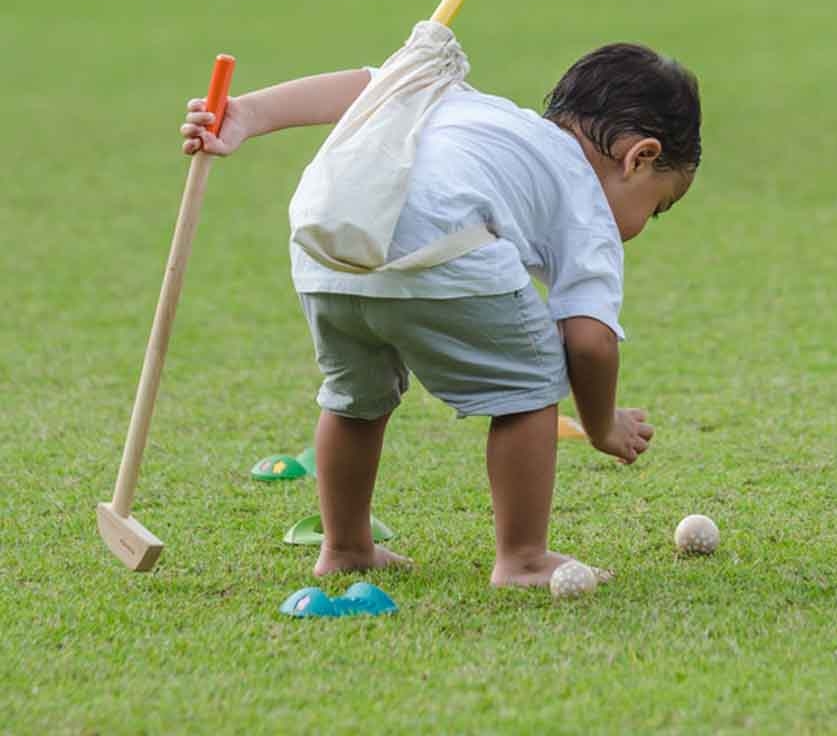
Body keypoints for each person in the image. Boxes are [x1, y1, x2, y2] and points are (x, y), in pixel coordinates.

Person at [180, 40, 701, 588]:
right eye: (657, 206)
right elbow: (590, 343)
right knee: (530, 384)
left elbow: (374, 85)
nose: (644, 223)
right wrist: (602, 425)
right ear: (640, 158)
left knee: (354, 397)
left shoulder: (463, 102)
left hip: (330, 246)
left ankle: (346, 546)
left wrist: (249, 114)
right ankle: (523, 558)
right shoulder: (587, 202)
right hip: (442, 251)